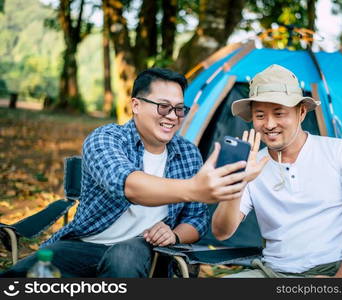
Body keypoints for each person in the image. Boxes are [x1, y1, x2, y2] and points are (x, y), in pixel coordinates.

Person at [1, 68, 247, 278]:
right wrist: (195, 189)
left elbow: (197, 221)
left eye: (179, 109)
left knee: (124, 257)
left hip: (146, 251)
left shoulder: (188, 153)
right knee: (23, 274)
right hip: (87, 245)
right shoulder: (106, 139)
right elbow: (128, 185)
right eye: (163, 107)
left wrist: (174, 234)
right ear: (136, 105)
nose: (172, 117)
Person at [212, 64, 342, 278]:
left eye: (279, 113)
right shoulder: (253, 163)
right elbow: (221, 232)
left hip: (334, 270)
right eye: (260, 115)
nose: (269, 124)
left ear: (301, 112)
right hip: (272, 272)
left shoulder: (340, 152)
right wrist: (238, 182)